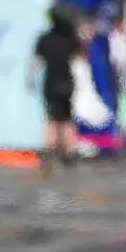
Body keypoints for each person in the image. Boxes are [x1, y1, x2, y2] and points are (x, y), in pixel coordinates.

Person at [33, 9, 80, 171]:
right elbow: (78, 55)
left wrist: (30, 81)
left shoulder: (44, 39)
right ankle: (69, 151)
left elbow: (36, 62)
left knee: (52, 118)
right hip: (67, 82)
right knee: (67, 118)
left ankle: (48, 151)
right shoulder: (70, 38)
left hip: (51, 82)